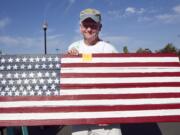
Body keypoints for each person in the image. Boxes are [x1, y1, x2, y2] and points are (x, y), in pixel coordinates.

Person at [68, 8, 122, 135]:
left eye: (93, 25)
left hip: (106, 114)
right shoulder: (73, 47)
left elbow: (119, 83)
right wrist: (69, 59)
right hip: (80, 113)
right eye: (85, 25)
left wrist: (113, 112)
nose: (89, 29)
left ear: (100, 27)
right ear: (80, 27)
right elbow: (70, 80)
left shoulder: (109, 49)